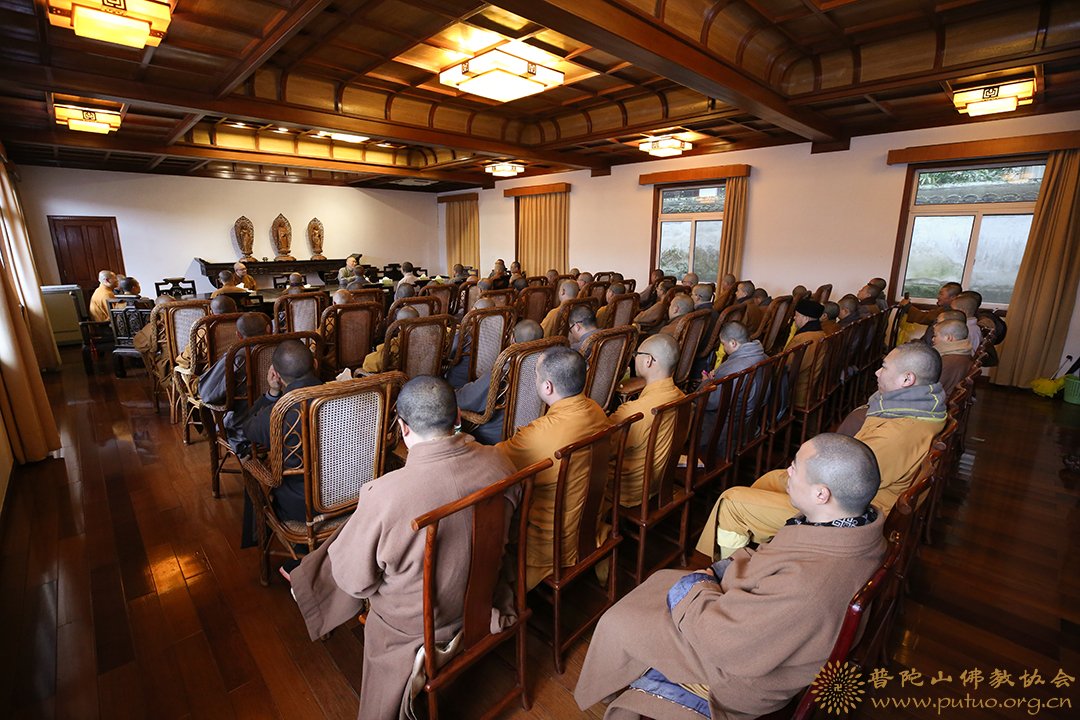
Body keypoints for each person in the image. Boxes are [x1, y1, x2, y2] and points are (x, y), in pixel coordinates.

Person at [575, 434, 886, 720]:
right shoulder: (852, 528)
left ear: (821, 494)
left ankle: (613, 686)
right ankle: (622, 673)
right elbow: (774, 558)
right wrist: (717, 575)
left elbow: (725, 645)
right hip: (757, 625)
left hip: (740, 674)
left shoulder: (810, 586)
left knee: (620, 621)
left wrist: (700, 586)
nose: (788, 472)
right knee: (660, 582)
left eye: (795, 467)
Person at [287, 376, 519, 720]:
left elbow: (356, 584)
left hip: (417, 626)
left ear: (403, 428)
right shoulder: (500, 462)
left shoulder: (385, 493)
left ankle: (305, 585)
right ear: (458, 417)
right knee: (366, 539)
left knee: (353, 552)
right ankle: (307, 578)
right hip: (483, 596)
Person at [699, 342, 945, 559]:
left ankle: (732, 569)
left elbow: (845, 483)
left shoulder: (898, 434)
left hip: (844, 513)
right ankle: (769, 548)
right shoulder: (919, 409)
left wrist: (804, 470)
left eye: (884, 367)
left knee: (731, 502)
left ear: (907, 379)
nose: (877, 372)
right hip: (841, 493)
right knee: (772, 478)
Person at [496, 346, 610, 589]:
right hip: (589, 526)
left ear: (547, 386)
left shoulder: (539, 435)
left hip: (549, 542)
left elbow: (492, 463)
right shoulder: (595, 410)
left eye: (537, 375)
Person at [240, 340, 324, 522]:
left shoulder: (279, 413)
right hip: (355, 496)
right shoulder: (350, 397)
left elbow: (247, 428)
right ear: (315, 364)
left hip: (305, 507)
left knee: (251, 467)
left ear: (276, 375)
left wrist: (272, 393)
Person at [609, 334, 684, 508]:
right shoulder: (682, 398)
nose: (635, 358)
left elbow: (604, 450)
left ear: (648, 361)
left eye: (637, 354)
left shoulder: (634, 411)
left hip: (628, 490)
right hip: (661, 481)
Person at [457, 319, 543, 444]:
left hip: (495, 437)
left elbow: (465, 400)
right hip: (532, 432)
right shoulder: (546, 370)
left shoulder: (504, 371)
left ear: (512, 338)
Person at [698, 321, 768, 454]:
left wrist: (706, 382)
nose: (723, 348)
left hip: (728, 431)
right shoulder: (764, 357)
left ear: (733, 343)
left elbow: (710, 402)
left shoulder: (733, 370)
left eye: (723, 344)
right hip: (751, 424)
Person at [198, 312, 270, 410]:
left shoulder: (237, 355)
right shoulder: (284, 349)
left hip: (246, 415)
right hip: (282, 411)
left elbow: (207, 393)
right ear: (268, 329)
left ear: (238, 335)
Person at [174, 295, 238, 371]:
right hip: (245, 372)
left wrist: (178, 361)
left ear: (211, 313)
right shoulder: (245, 326)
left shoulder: (204, 332)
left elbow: (187, 359)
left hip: (214, 375)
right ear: (236, 309)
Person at [783, 298, 827, 407]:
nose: (794, 318)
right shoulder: (822, 334)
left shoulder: (804, 339)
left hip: (798, 392)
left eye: (796, 315)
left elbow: (787, 366)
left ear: (805, 318)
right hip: (814, 389)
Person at [360, 306, 419, 374]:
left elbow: (370, 363)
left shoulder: (395, 344)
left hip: (399, 377)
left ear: (399, 325)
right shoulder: (426, 341)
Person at [933, 318, 973, 395]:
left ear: (949, 338)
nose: (933, 339)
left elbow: (929, 389)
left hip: (938, 399)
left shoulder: (947, 361)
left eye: (935, 336)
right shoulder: (964, 352)